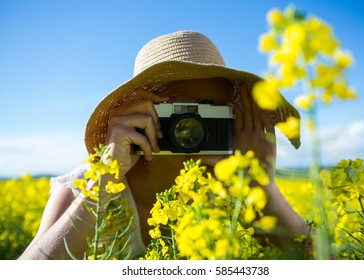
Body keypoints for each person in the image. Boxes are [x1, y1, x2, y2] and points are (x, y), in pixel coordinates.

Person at [19, 30, 307, 260]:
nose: (193, 126)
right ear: (140, 112)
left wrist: (262, 186)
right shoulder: (90, 184)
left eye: (211, 111)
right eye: (180, 110)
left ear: (234, 117)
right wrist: (105, 179)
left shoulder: (239, 196)